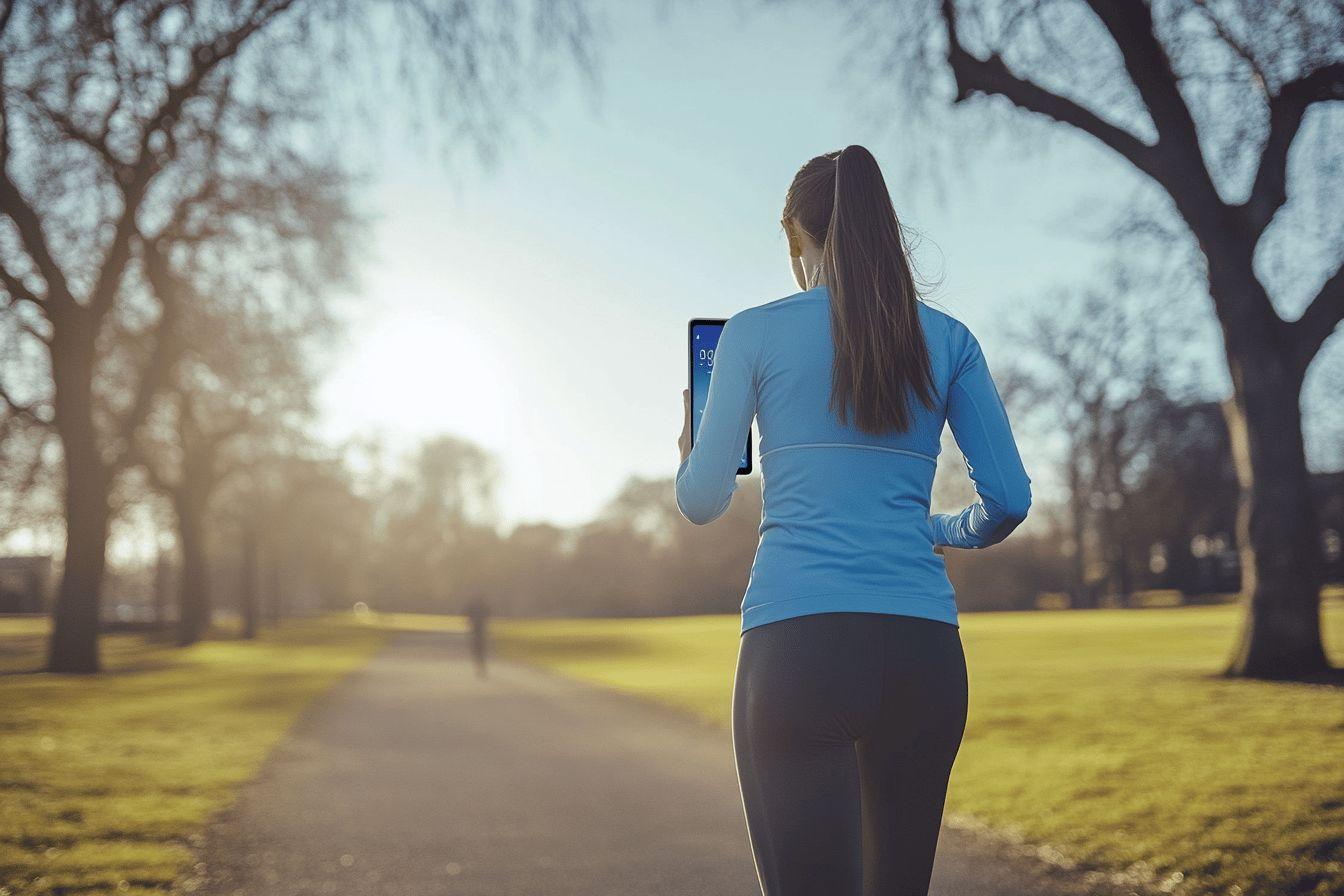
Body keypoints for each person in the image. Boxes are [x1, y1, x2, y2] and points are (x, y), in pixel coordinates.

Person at [675, 145, 1031, 896]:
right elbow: (1009, 500)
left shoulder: (751, 332)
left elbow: (703, 501)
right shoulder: (949, 338)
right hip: (923, 654)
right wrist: (940, 528)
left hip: (797, 650)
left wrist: (690, 445)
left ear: (798, 240)